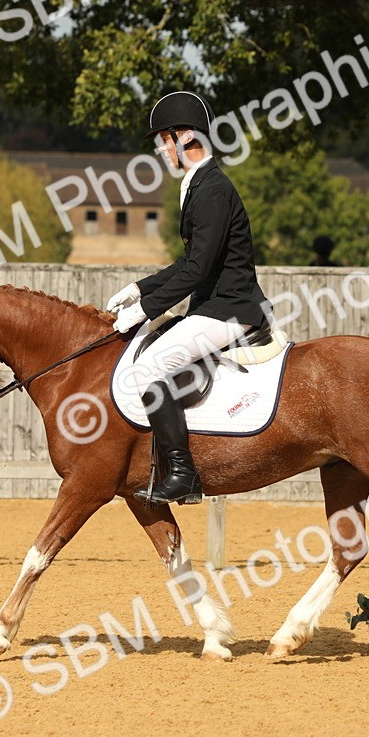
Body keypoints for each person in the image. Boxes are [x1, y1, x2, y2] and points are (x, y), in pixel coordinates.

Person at [107, 90, 271, 506]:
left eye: (164, 140)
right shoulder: (197, 184)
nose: (162, 150)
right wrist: (140, 289)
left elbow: (197, 271)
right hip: (214, 307)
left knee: (147, 371)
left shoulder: (212, 189)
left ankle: (183, 474)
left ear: (184, 137)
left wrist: (145, 310)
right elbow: (189, 263)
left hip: (228, 311)